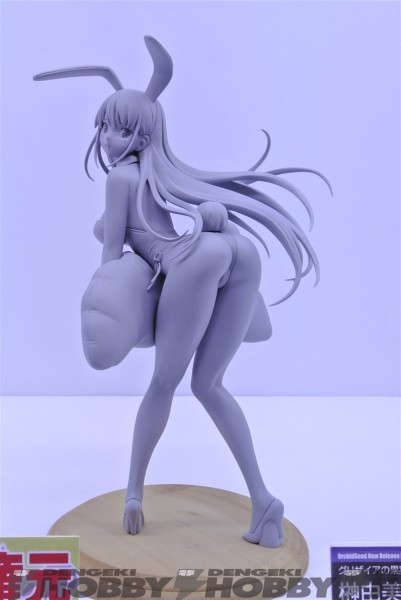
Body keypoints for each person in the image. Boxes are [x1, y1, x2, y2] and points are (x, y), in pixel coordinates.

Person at [34, 36, 331, 548]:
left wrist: (115, 309)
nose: (108, 138)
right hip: (233, 252)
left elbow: (111, 261)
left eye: (121, 128)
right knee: (209, 385)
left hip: (192, 263)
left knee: (162, 385)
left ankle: (133, 493)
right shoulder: (156, 175)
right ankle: (263, 502)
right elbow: (155, 230)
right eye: (104, 127)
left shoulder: (120, 179)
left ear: (143, 134)